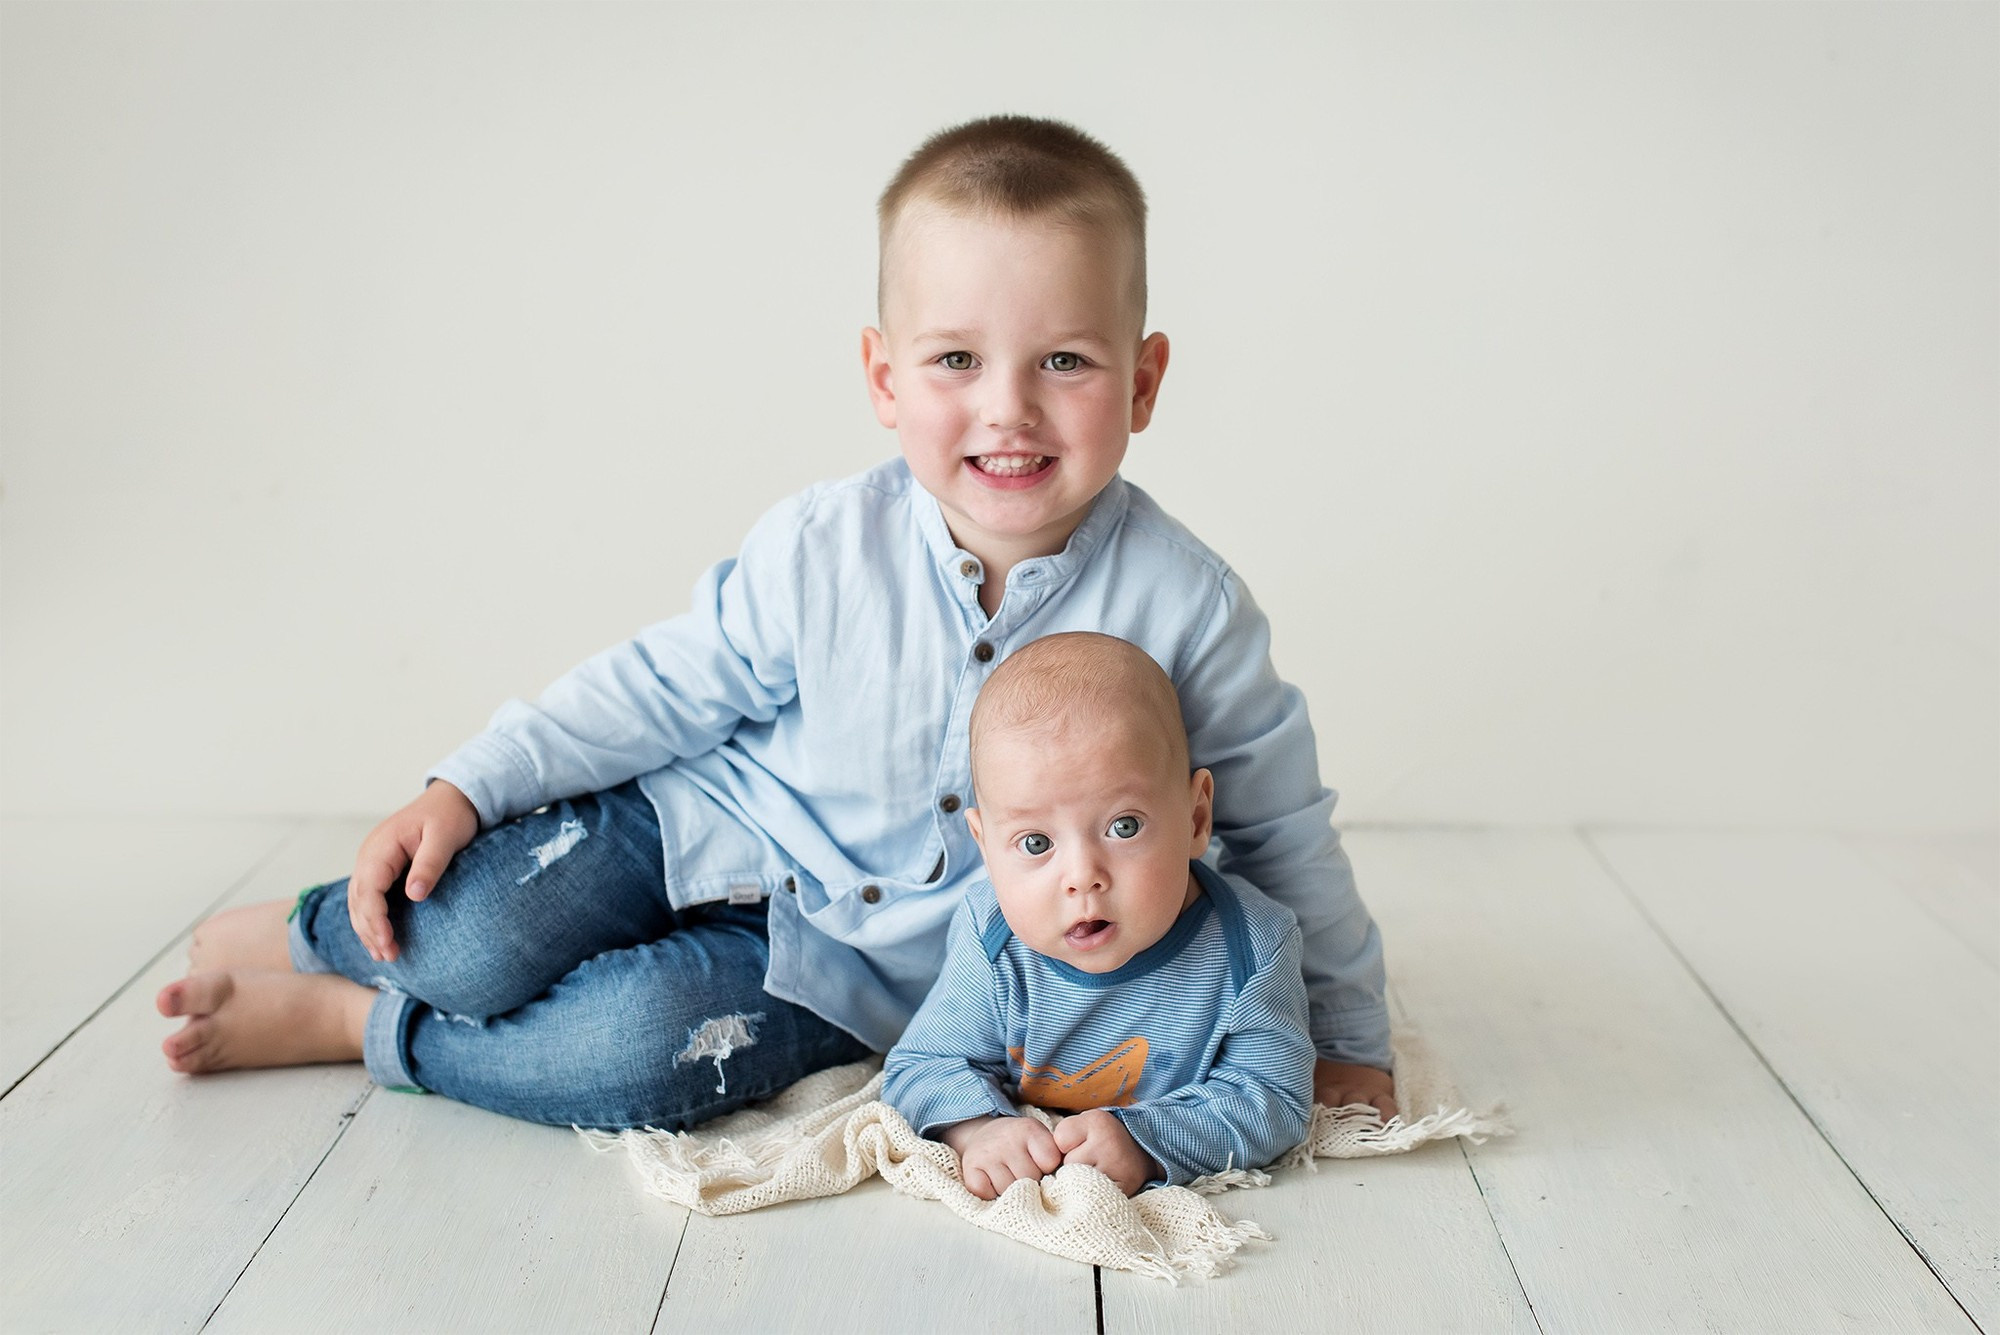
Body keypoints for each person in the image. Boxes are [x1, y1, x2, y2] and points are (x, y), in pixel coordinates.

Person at [157, 114, 1397, 1131]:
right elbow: (657, 687)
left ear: (1141, 378)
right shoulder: (823, 546)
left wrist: (1343, 1037)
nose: (1007, 409)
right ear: (882, 378)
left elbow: (1279, 831)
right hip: (707, 826)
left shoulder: (1188, 607)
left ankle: (359, 1025)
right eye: (956, 360)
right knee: (467, 932)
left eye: (1064, 362)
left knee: (640, 1056)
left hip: (866, 976)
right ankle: (329, 927)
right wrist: (471, 786)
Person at [884, 633, 1314, 1198]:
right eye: (1035, 842)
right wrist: (977, 1130)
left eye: (1124, 827)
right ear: (986, 848)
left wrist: (1143, 1141)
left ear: (1195, 817)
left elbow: (1275, 1097)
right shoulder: (992, 938)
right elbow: (919, 1066)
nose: (1082, 876)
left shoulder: (1253, 946)